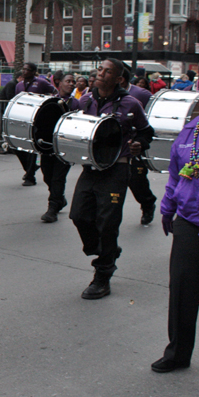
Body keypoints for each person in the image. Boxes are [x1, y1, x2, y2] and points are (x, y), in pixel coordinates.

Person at [152, 65, 199, 373]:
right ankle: (178, 353)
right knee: (182, 290)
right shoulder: (192, 127)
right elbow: (176, 173)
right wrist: (168, 208)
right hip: (189, 224)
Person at [69, 58, 154, 300]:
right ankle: (107, 249)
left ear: (118, 79)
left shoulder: (131, 104)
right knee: (78, 215)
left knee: (108, 222)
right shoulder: (85, 101)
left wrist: (139, 144)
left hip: (117, 168)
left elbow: (146, 131)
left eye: (108, 72)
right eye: (100, 69)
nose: (101, 74)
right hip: (90, 168)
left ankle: (102, 276)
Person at [39, 71, 78, 223]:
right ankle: (60, 199)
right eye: (68, 81)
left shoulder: (76, 103)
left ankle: (53, 208)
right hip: (49, 146)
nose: (71, 84)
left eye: (72, 82)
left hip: (65, 147)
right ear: (59, 83)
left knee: (58, 178)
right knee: (47, 175)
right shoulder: (50, 100)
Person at [123, 69, 157, 225]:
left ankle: (148, 203)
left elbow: (152, 118)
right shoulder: (96, 96)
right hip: (111, 148)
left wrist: (141, 142)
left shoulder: (141, 95)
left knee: (137, 181)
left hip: (134, 145)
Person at [14, 63, 55, 186]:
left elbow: (54, 91)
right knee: (16, 146)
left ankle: (30, 177)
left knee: (31, 147)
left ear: (33, 72)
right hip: (22, 117)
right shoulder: (19, 85)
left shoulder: (41, 83)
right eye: (24, 69)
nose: (24, 71)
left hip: (37, 119)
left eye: (28, 69)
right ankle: (30, 168)